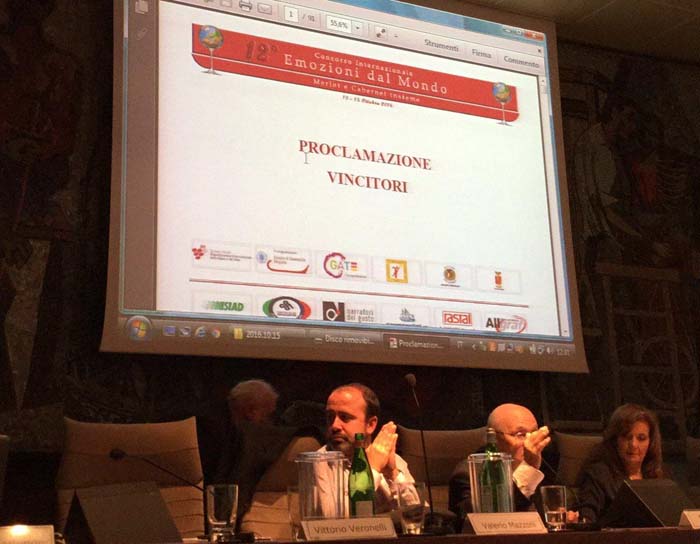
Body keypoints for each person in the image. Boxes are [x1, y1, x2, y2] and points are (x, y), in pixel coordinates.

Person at [318, 383, 416, 515]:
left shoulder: (389, 458)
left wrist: (393, 474)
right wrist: (372, 470)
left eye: (344, 417)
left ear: (370, 424)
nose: (334, 426)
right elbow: (333, 520)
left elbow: (417, 516)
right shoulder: (319, 462)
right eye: (330, 417)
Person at [449, 403, 553, 523]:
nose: (530, 442)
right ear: (494, 438)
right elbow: (489, 523)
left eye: (534, 434)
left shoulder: (540, 468)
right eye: (520, 435)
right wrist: (528, 471)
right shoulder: (467, 475)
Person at [574, 403, 664, 524]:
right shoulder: (599, 475)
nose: (633, 445)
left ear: (651, 442)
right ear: (615, 440)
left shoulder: (657, 476)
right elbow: (587, 519)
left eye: (641, 438)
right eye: (627, 437)